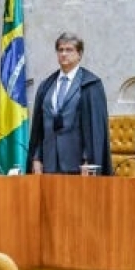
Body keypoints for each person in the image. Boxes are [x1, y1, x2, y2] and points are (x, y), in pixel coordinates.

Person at [28, 33, 112, 175]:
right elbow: (39, 128)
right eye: (60, 50)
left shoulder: (91, 85)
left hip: (78, 165)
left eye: (69, 50)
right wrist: (37, 158)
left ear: (79, 54)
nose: (64, 54)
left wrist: (88, 160)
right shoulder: (46, 86)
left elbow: (95, 130)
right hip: (49, 164)